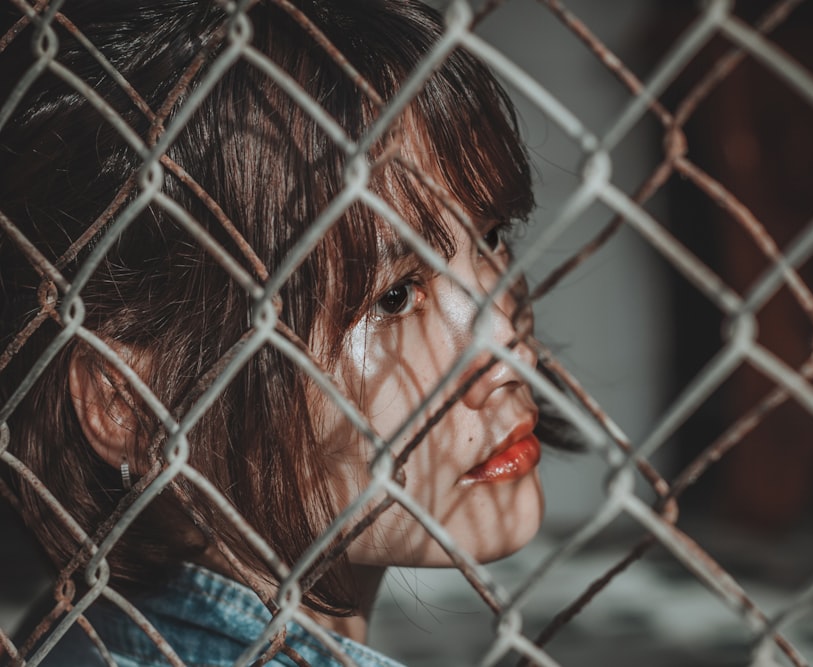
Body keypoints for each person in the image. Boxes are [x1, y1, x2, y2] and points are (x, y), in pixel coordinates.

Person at [0, 1, 566, 664]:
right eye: (393, 296)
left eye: (492, 237)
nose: (505, 341)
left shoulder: (77, 638)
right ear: (128, 400)